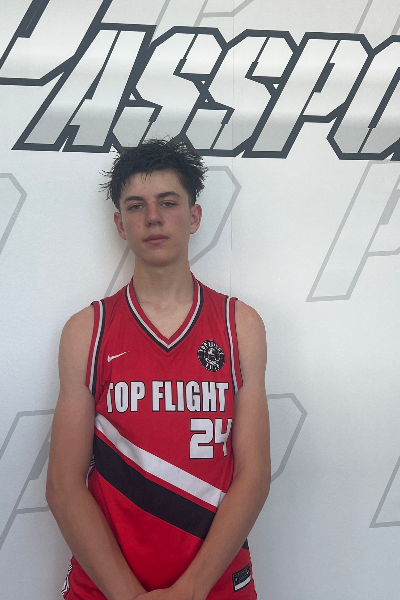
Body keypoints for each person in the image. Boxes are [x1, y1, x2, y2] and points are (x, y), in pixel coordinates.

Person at [46, 139, 271, 600]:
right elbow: (63, 485)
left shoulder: (239, 326)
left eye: (168, 202)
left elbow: (254, 475)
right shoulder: (88, 330)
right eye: (136, 206)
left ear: (194, 216)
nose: (153, 217)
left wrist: (190, 590)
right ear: (120, 223)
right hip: (104, 587)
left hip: (215, 583)